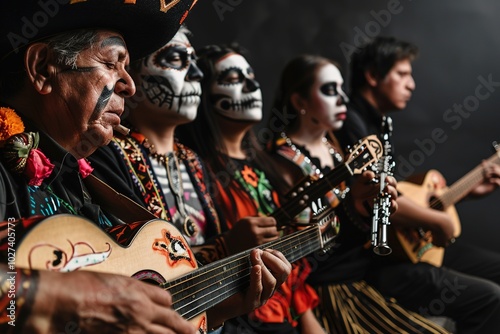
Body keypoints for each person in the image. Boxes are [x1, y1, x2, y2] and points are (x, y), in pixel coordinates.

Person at [0, 2, 290, 333]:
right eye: (111, 63)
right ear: (42, 68)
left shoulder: (86, 183)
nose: (129, 85)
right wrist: (76, 299)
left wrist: (209, 310)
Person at [88, 25, 292, 331]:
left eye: (194, 61)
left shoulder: (193, 160)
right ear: (134, 78)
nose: (197, 74)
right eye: (176, 60)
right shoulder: (106, 154)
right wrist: (226, 246)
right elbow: (126, 267)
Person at [268, 53, 448, 333]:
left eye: (342, 89)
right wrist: (354, 208)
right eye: (329, 90)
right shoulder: (282, 161)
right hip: (325, 289)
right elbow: (301, 250)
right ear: (299, 101)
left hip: (362, 272)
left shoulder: (334, 145)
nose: (342, 99)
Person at [336, 36, 500, 333]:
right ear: (373, 76)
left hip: (409, 246)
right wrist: (438, 220)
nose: (411, 84)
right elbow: (376, 199)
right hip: (375, 262)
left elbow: (401, 197)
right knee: (489, 297)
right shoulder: (351, 123)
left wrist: (460, 196)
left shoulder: (380, 123)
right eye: (402, 74)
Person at [177, 44, 325, 334]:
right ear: (204, 92)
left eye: (251, 75)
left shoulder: (271, 165)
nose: (252, 84)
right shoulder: (195, 171)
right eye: (232, 79)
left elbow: (292, 262)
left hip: (286, 316)